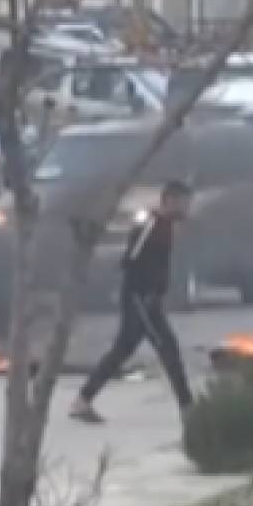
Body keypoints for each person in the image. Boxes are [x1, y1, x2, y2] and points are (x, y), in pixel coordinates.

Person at [70, 180, 195, 424]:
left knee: (123, 350)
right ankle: (188, 408)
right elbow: (131, 258)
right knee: (168, 348)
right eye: (184, 203)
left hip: (151, 298)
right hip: (140, 298)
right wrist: (145, 291)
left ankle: (82, 401)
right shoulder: (151, 224)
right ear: (170, 200)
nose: (187, 209)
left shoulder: (168, 226)